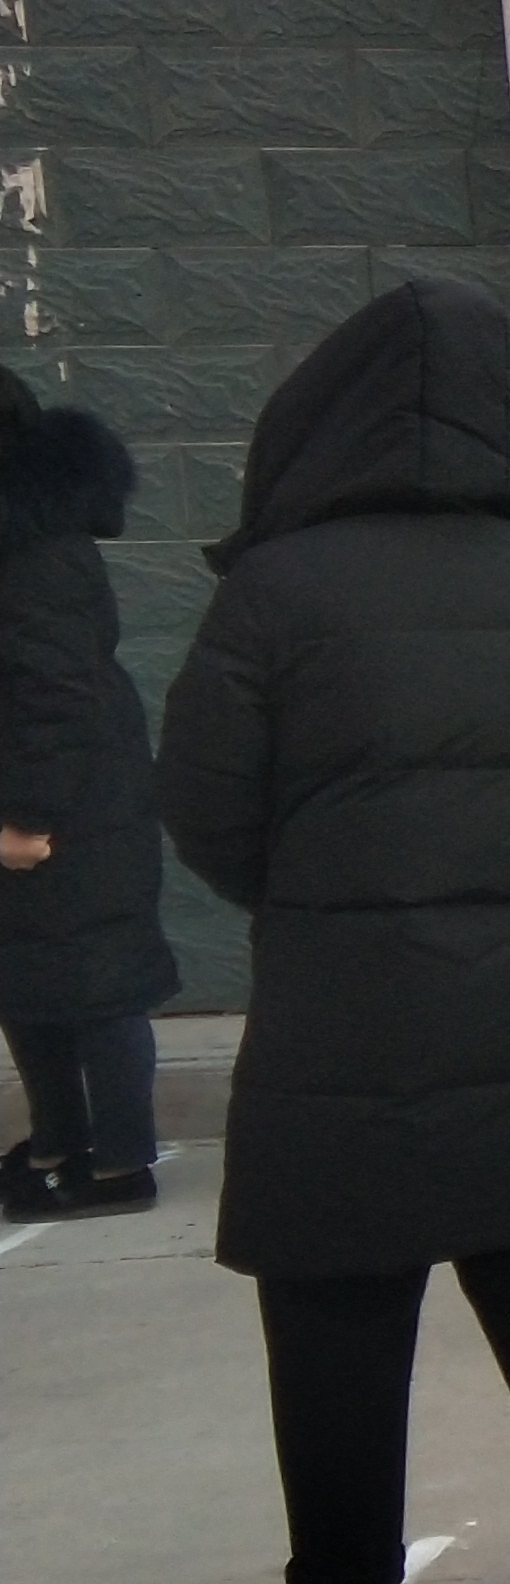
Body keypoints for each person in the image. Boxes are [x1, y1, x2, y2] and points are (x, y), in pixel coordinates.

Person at [153, 278, 510, 1584]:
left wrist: (310, 893)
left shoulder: (278, 588)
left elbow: (203, 799)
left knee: (335, 1297)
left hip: (345, 1001)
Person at [0, 366, 179, 1220]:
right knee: (33, 983)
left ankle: (119, 1166)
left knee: (98, 985)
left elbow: (55, 696)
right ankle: (57, 1144)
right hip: (55, 795)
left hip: (68, 808)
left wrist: (25, 817)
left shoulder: (33, 554)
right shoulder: (26, 539)